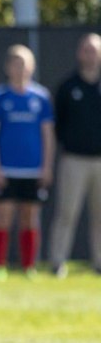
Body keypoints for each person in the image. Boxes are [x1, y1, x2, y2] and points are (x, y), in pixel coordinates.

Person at [0, 46, 54, 280]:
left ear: (32, 67)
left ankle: (28, 267)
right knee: (2, 216)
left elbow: (47, 135)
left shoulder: (41, 97)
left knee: (30, 217)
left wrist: (46, 166)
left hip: (33, 169)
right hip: (6, 168)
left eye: (24, 63)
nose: (20, 68)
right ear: (7, 67)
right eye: (15, 63)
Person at [48, 33, 101, 277]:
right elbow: (58, 124)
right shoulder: (68, 86)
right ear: (79, 53)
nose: (90, 55)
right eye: (86, 50)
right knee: (66, 213)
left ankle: (99, 262)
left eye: (95, 50)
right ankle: (58, 262)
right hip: (74, 160)